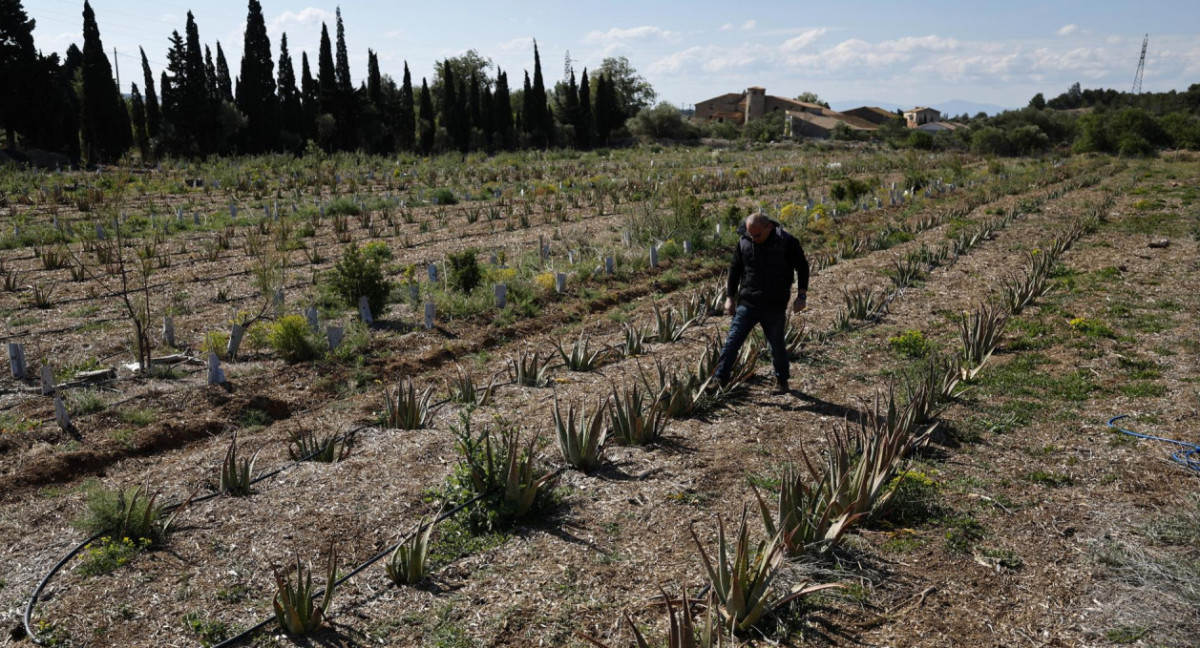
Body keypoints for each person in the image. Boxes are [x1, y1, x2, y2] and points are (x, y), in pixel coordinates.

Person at [713, 212, 809, 394]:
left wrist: (801, 295)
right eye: (750, 235)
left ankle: (782, 381)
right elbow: (735, 268)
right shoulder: (744, 241)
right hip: (748, 301)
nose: (754, 239)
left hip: (775, 303)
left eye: (757, 235)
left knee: (777, 345)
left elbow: (802, 266)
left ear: (769, 228)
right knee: (732, 342)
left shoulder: (787, 242)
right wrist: (730, 296)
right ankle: (719, 380)